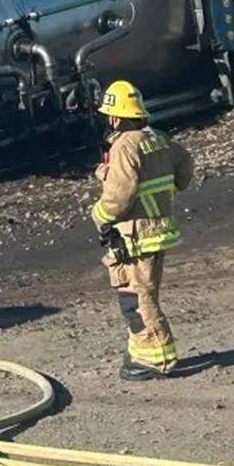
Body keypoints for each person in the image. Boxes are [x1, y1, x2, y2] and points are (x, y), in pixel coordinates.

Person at [91, 80, 194, 380]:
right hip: (157, 230)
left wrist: (99, 216)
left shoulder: (124, 146)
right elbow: (184, 168)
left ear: (113, 116)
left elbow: (119, 195)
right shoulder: (158, 139)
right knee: (142, 293)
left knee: (136, 297)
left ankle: (157, 358)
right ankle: (140, 350)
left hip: (134, 235)